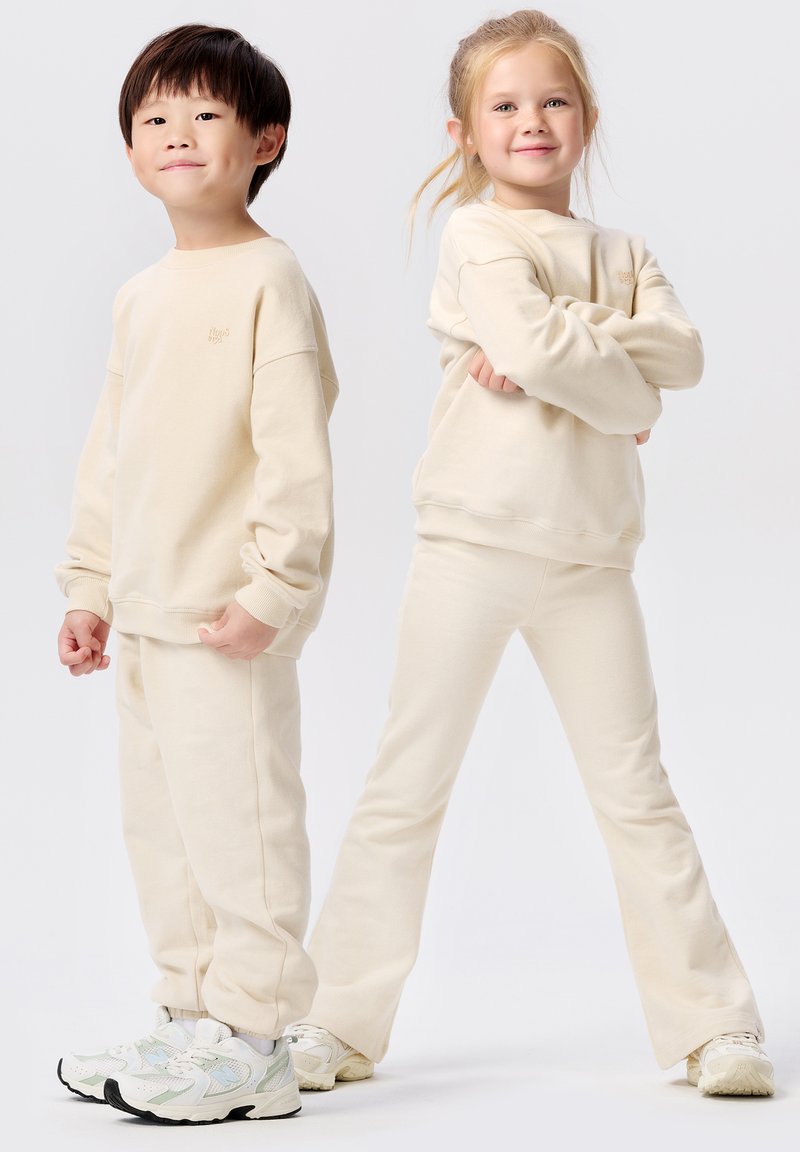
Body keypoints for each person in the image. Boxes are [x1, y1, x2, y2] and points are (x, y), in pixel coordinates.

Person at [288, 8, 773, 1098]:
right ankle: (336, 1018)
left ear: (585, 118)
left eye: (553, 100)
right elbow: (548, 348)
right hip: (469, 542)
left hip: (592, 558)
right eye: (504, 105)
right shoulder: (476, 237)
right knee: (407, 783)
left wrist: (576, 356)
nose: (531, 120)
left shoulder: (624, 252)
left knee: (636, 792)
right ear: (464, 132)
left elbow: (683, 356)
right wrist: (623, 390)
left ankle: (713, 1024)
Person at [54, 23, 337, 1124]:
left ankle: (257, 1043)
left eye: (207, 114)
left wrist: (274, 589)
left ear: (265, 140)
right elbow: (111, 451)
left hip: (227, 617)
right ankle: (190, 1020)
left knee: (241, 831)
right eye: (155, 118)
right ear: (130, 148)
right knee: (164, 832)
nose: (178, 134)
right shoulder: (142, 294)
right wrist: (89, 586)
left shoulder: (270, 278)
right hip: (145, 612)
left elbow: (293, 451)